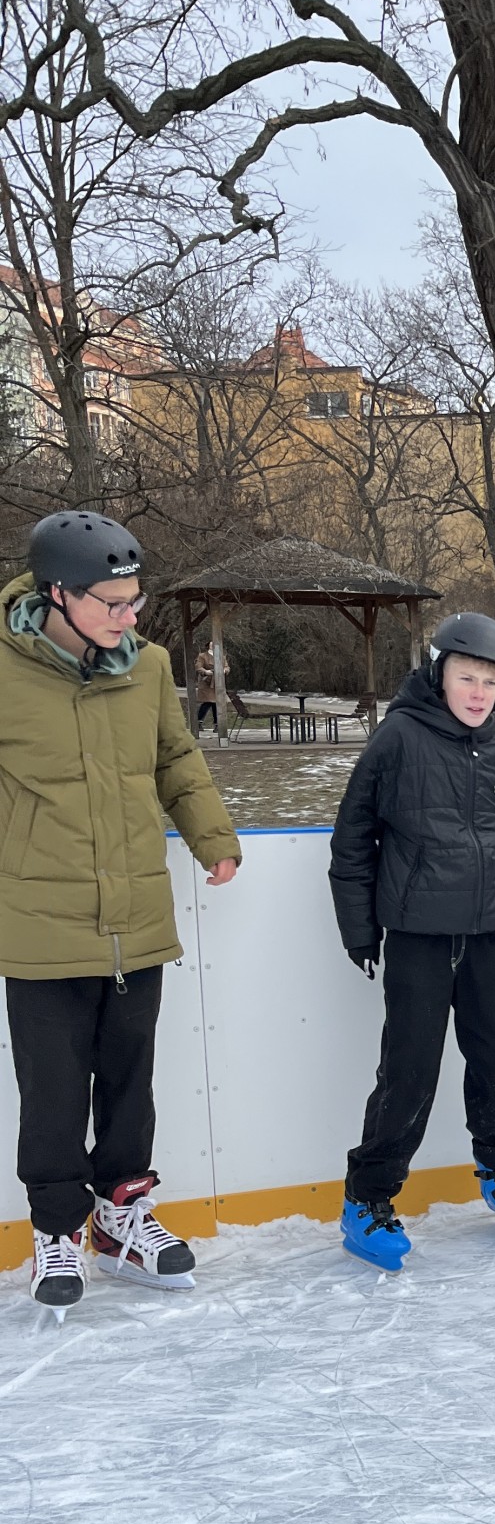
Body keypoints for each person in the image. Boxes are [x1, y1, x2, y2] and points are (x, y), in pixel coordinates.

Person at [1, 509, 242, 1315]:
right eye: (112, 603)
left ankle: (121, 1217)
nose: (129, 617)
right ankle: (56, 1229)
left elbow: (176, 759)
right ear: (57, 594)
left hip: (136, 913)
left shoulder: (148, 667)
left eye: (135, 600)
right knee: (52, 1090)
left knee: (131, 1081)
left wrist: (212, 838)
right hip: (40, 918)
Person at [328, 610, 495, 1271]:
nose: (478, 693)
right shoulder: (397, 739)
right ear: (439, 673)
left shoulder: (494, 746)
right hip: (419, 934)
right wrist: (359, 930)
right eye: (467, 678)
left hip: (490, 927)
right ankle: (367, 1199)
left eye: (491, 683)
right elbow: (352, 840)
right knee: (408, 1073)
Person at [193, 641, 228, 731]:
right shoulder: (202, 656)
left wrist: (224, 670)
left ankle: (216, 724)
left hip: (218, 683)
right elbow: (198, 667)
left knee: (216, 703)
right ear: (208, 646)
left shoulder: (221, 656)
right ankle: (199, 722)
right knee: (208, 702)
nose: (213, 646)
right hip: (207, 683)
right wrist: (205, 671)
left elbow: (226, 667)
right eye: (211, 644)